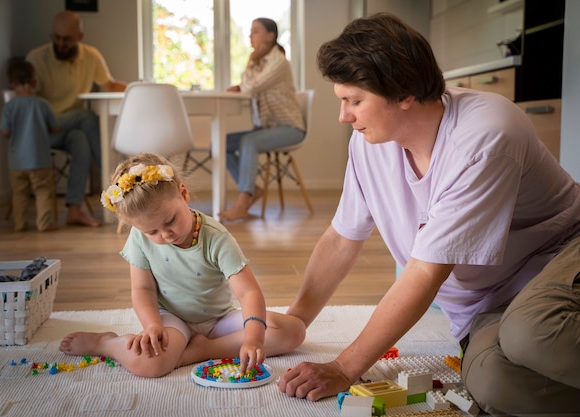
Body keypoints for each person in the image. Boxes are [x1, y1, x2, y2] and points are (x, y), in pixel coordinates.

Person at [277, 12, 580, 416]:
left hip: (560, 256)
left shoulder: (485, 134)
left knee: (533, 335)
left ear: (404, 93)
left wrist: (344, 367)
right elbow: (341, 238)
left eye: (355, 101)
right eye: (341, 100)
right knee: (493, 384)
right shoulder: (368, 143)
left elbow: (424, 273)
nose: (344, 116)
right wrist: (296, 319)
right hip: (491, 300)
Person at [59, 152, 305, 377]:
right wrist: (152, 325)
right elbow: (142, 290)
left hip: (218, 319)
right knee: (149, 365)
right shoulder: (139, 237)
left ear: (184, 193)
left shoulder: (216, 237)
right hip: (171, 319)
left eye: (170, 220)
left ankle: (204, 350)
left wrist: (253, 339)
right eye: (152, 231)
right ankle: (106, 343)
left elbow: (248, 291)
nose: (165, 235)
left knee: (293, 330)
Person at [26, 10, 127, 227]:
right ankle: (119, 190)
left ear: (79, 37)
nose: (61, 43)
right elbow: (27, 106)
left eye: (67, 39)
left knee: (81, 139)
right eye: (57, 37)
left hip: (71, 128)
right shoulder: (36, 59)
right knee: (88, 118)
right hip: (42, 130)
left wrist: (139, 88)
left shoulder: (90, 56)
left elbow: (108, 85)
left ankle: (74, 209)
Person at [219, 18, 305, 222]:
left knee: (249, 141)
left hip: (290, 128)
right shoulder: (261, 64)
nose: (251, 36)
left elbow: (251, 86)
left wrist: (249, 61)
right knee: (220, 143)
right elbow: (248, 85)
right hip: (266, 129)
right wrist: (242, 83)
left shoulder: (279, 62)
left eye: (256, 31)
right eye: (250, 31)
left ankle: (243, 200)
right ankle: (252, 189)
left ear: (270, 36)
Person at [0, 58, 60, 233]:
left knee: (19, 193)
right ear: (34, 82)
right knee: (42, 191)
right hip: (40, 159)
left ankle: (20, 224)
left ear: (11, 84)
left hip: (16, 161)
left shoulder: (10, 106)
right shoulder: (42, 104)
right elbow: (55, 127)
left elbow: (4, 132)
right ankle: (43, 223)